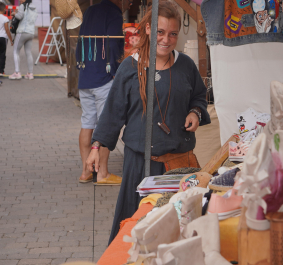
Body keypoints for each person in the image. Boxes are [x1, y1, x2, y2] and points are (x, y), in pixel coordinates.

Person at [85, 0, 211, 244]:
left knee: (177, 231)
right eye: (160, 32)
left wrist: (195, 112)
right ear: (148, 30)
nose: (166, 39)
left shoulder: (185, 65)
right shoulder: (130, 67)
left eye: (172, 34)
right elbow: (112, 113)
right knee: (135, 230)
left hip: (178, 166)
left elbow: (198, 95)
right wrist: (96, 148)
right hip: (138, 165)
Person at [76, 0, 132, 184]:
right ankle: (102, 173)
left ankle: (86, 172)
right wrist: (116, 71)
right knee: (105, 126)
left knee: (87, 123)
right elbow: (113, 44)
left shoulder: (91, 10)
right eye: (129, 0)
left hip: (86, 76)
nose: (130, 3)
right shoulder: (114, 13)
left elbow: (80, 40)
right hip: (103, 76)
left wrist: (81, 67)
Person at [9, 0, 38, 80]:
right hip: (31, 32)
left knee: (16, 51)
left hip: (22, 31)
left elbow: (20, 16)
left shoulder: (23, 6)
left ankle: (17, 72)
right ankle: (30, 73)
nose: (20, 0)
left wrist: (15, 14)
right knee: (28, 52)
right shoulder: (34, 8)